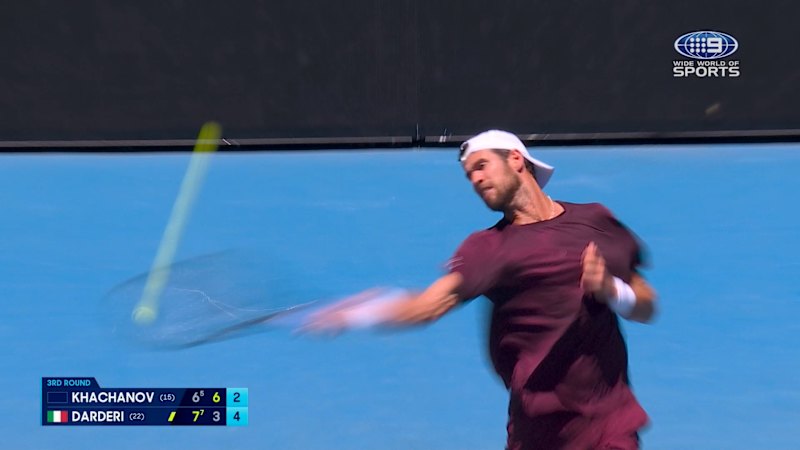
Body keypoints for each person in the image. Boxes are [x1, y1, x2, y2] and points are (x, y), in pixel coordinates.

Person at [304, 129, 657, 449]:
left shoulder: (594, 221)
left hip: (608, 421)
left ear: (516, 160)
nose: (475, 178)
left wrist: (611, 290)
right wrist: (357, 313)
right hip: (538, 429)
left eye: (482, 165)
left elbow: (647, 305)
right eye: (470, 174)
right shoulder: (489, 249)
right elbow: (428, 306)